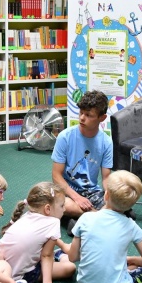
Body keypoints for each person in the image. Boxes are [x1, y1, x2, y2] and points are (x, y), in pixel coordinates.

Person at [68, 170, 142, 283]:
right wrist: (133, 259)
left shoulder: (86, 218)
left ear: (106, 195)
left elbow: (72, 257)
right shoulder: (131, 226)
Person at [52, 90, 121, 236]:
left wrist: (110, 195)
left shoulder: (106, 142)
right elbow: (56, 176)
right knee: (64, 204)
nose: (82, 118)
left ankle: (77, 220)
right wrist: (77, 197)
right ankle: (98, 218)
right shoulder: (65, 137)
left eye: (89, 115)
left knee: (120, 204)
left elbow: (106, 177)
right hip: (66, 190)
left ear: (102, 118)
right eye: (81, 113)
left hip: (92, 191)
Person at [0, 182, 75, 283]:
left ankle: (59, 253)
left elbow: (44, 237)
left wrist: (62, 245)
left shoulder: (27, 214)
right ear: (47, 209)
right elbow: (46, 256)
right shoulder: (53, 222)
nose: (65, 209)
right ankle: (59, 255)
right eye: (62, 206)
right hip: (21, 273)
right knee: (70, 268)